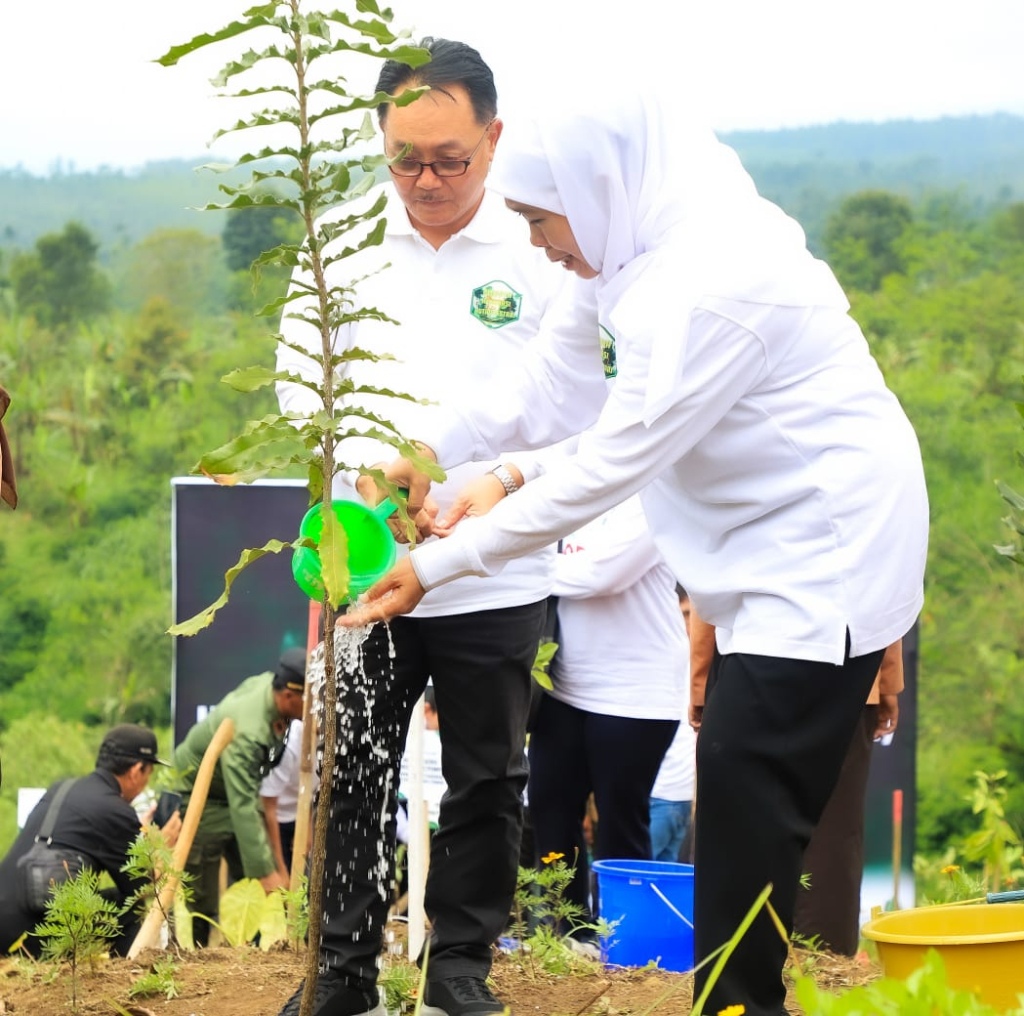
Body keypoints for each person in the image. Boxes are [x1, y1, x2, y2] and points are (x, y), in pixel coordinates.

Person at [339, 90, 929, 1016]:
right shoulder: (620, 249)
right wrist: (436, 458)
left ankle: (737, 1003)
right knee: (741, 803)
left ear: (597, 186)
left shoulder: (712, 279)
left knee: (746, 803)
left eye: (539, 218)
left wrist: (441, 563)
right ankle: (737, 999)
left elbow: (619, 459)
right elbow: (549, 391)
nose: (534, 242)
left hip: (821, 556)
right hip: (753, 556)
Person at [273, 38, 602, 1016]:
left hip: (496, 568)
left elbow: (584, 414)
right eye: (404, 159)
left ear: (493, 138)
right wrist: (375, 465)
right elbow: (301, 381)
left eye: (448, 160)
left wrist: (492, 483)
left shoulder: (540, 243)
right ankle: (339, 967)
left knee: (487, 775)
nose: (425, 181)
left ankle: (459, 964)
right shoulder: (337, 239)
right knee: (348, 770)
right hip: (366, 556)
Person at [527, 494, 685, 955]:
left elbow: (601, 575)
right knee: (551, 809)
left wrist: (514, 568)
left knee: (620, 822)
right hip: (565, 687)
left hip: (637, 692)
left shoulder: (655, 500)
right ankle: (569, 935)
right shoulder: (567, 498)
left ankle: (626, 943)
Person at [0, 724, 181, 956]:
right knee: (135, 910)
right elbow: (141, 888)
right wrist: (159, 846)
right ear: (136, 770)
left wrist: (135, 832)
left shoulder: (61, 788)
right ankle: (129, 977)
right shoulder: (115, 810)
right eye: (148, 774)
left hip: (5, 923)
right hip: (34, 938)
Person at [173, 647, 306, 945]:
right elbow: (245, 805)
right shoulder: (248, 732)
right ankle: (195, 961)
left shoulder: (270, 689)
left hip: (231, 794)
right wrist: (267, 872)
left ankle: (251, 955)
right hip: (201, 795)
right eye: (307, 699)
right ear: (287, 696)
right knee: (202, 894)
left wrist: (267, 870)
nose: (311, 707)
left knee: (253, 881)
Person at [648, 587, 697, 864]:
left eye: (693, 615)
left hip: (680, 797)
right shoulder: (665, 660)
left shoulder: (704, 667)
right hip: (660, 792)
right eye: (684, 614)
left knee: (659, 881)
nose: (690, 624)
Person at [260, 718, 305, 878]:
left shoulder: (343, 741)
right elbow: (268, 806)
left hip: (303, 814)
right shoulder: (289, 745)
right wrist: (281, 868)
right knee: (279, 882)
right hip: (273, 817)